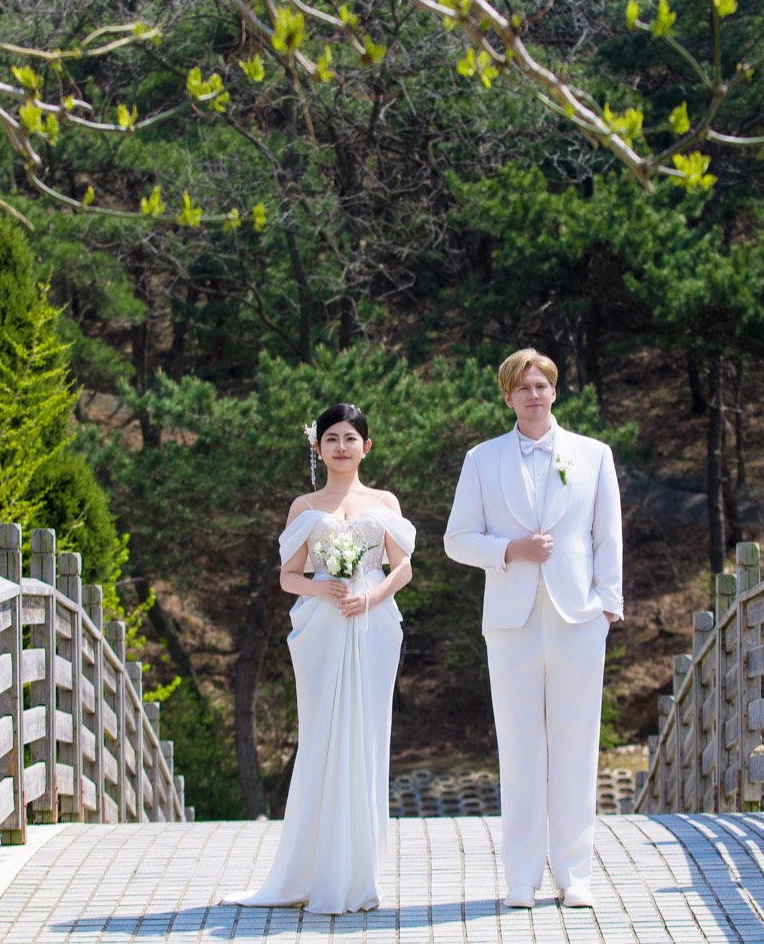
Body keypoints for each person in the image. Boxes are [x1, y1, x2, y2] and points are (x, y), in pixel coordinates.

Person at [443, 349, 623, 910]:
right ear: (507, 396)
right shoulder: (482, 459)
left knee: (576, 745)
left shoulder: (593, 455)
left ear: (555, 390)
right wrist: (509, 550)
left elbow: (607, 537)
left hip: (578, 618)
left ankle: (576, 874)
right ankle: (521, 877)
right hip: (511, 620)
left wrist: (608, 605)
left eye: (542, 385)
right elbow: (456, 539)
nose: (534, 395)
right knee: (519, 748)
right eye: (522, 387)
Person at [224, 402, 416, 915]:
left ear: (366, 447)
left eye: (351, 438)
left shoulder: (384, 501)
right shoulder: (304, 506)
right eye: (331, 438)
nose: (341, 447)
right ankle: (312, 870)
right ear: (318, 447)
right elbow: (287, 576)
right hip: (323, 627)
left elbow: (403, 569)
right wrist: (322, 587)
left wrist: (369, 598)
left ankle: (359, 874)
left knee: (368, 736)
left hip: (374, 625)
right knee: (323, 735)